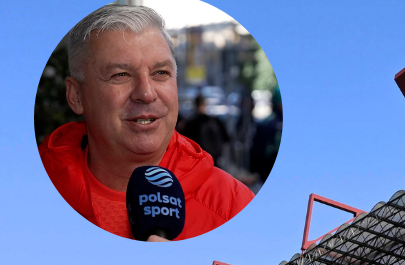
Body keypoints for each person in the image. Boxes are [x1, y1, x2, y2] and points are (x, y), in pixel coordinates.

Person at [38, 5, 253, 241]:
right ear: (76, 96)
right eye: (121, 75)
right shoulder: (28, 196)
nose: (146, 93)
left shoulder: (235, 207)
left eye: (160, 73)